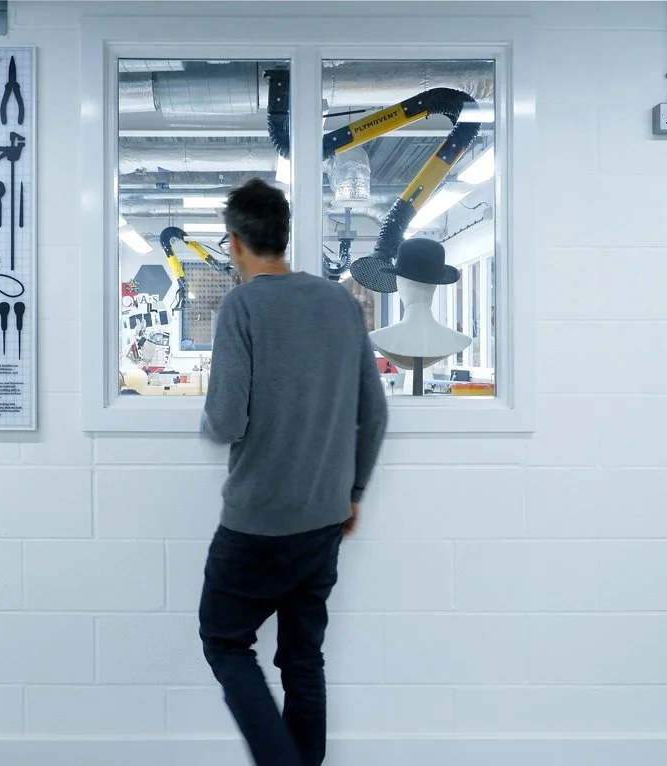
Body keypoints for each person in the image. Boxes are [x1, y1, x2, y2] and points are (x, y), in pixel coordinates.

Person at [198, 177, 389, 766]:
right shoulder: (339, 300)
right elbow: (374, 413)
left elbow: (226, 421)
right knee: (303, 659)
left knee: (225, 640)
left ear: (235, 243)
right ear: (284, 237)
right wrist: (353, 492)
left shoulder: (243, 305)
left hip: (257, 522)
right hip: (323, 519)